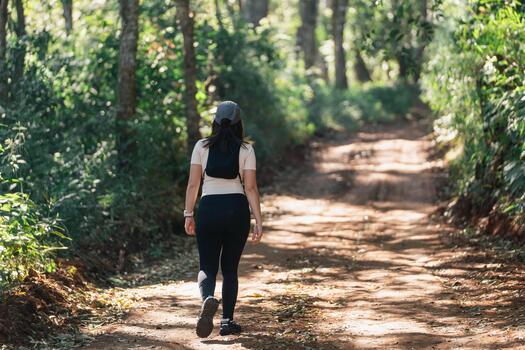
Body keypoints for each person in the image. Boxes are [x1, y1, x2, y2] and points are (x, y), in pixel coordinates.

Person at [183, 101, 263, 338]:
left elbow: (193, 184)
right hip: (236, 210)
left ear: (215, 122)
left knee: (207, 265)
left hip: (209, 208)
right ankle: (227, 322)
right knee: (230, 269)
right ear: (239, 123)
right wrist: (258, 220)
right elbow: (250, 188)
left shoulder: (201, 146)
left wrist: (188, 214)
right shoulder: (247, 150)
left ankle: (208, 297)